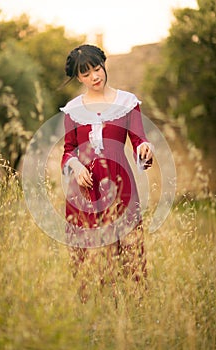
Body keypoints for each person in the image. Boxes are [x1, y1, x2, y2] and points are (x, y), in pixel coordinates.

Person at [60, 44, 153, 288]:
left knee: (131, 248)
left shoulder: (127, 102)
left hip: (120, 184)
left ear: (104, 64)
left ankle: (135, 307)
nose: (94, 77)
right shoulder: (72, 110)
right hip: (85, 190)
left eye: (97, 69)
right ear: (77, 77)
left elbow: (138, 139)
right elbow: (68, 151)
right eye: (85, 74)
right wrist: (78, 168)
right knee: (98, 257)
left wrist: (144, 148)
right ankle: (96, 313)